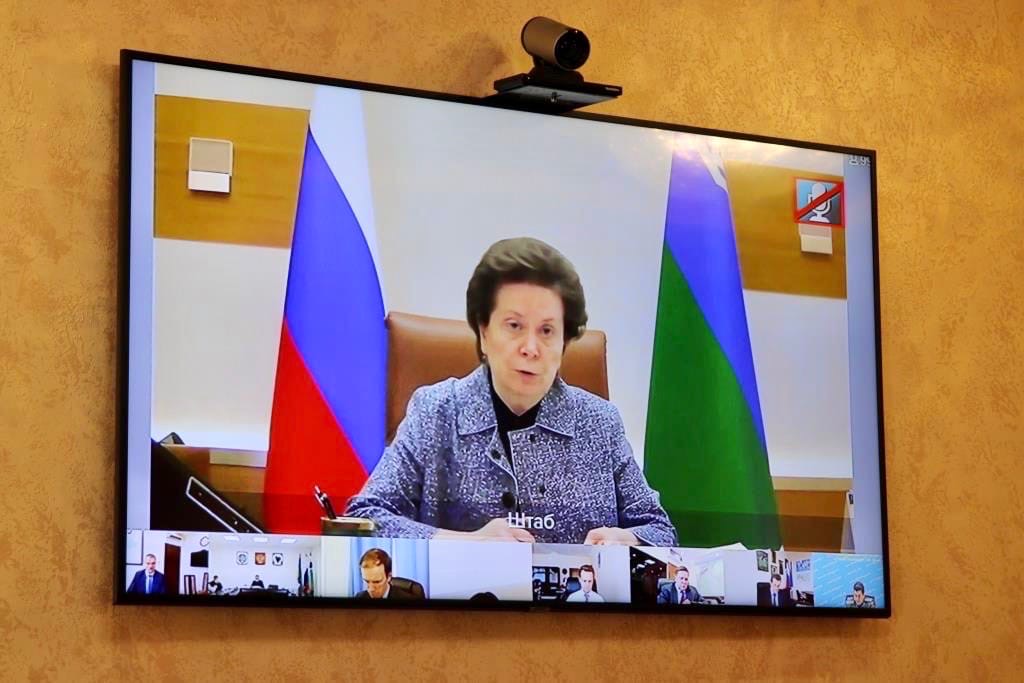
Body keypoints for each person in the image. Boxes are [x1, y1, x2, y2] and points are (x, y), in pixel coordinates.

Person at [346, 237, 677, 546]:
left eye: (547, 330)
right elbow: (365, 518)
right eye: (514, 326)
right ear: (484, 332)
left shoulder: (600, 423)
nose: (530, 348)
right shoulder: (435, 412)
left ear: (564, 342)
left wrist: (628, 541)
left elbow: (660, 531)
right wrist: (467, 544)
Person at [355, 548, 420, 600]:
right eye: (366, 581)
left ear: (389, 577)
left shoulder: (408, 600)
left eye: (377, 582)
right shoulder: (359, 597)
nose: (371, 589)